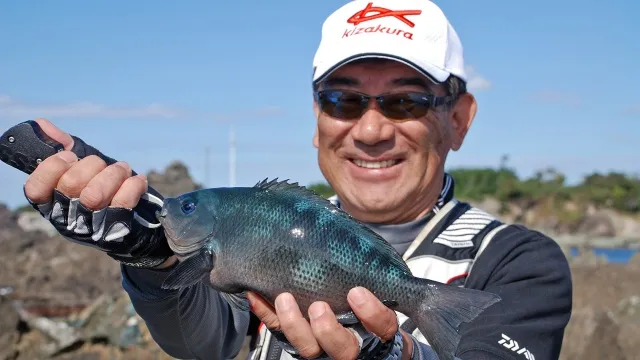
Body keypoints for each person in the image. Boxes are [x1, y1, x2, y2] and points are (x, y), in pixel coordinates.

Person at [20, 0, 572, 359]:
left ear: (458, 119)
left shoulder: (519, 263)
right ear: (317, 120)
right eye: (343, 100)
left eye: (405, 101)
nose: (372, 128)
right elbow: (204, 342)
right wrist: (156, 264)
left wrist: (390, 352)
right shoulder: (257, 230)